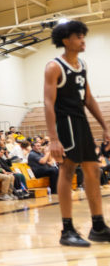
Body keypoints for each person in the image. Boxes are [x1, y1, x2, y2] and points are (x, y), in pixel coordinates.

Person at [43, 19, 110, 247]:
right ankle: (67, 229)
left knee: (93, 170)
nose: (83, 40)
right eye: (78, 36)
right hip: (65, 123)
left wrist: (105, 125)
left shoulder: (82, 65)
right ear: (65, 40)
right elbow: (48, 103)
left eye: (83, 36)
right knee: (67, 170)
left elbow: (88, 98)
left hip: (81, 121)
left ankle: (98, 226)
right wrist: (53, 138)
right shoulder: (54, 67)